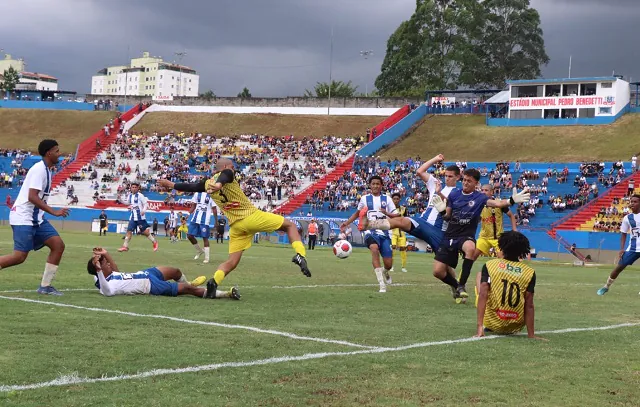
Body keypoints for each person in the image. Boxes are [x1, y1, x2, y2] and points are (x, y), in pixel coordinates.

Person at [158, 158, 311, 299]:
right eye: (232, 167)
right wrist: (219, 184)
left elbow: (190, 186)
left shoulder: (206, 183)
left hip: (236, 226)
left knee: (231, 262)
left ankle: (214, 281)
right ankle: (300, 255)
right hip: (250, 216)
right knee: (289, 225)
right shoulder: (227, 173)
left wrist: (171, 185)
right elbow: (226, 175)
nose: (234, 169)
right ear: (225, 167)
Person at [433, 168, 529, 302]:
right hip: (450, 236)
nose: (465, 183)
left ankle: (461, 285)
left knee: (470, 248)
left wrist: (512, 200)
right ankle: (456, 285)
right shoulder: (454, 195)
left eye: (469, 181)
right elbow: (447, 218)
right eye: (464, 180)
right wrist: (442, 212)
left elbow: (498, 203)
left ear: (476, 183)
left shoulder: (480, 198)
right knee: (437, 272)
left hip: (466, 236)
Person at [0, 139, 69, 295]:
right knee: (19, 257)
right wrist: (54, 212)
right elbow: (32, 197)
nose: (59, 153)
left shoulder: (47, 170)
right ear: (49, 152)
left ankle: (45, 286)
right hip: (24, 217)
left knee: (58, 245)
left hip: (36, 218)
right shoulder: (39, 169)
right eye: (57, 151)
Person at [361, 155, 458, 255]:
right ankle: (369, 224)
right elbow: (420, 171)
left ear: (458, 177)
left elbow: (450, 205)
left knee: (441, 269)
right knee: (401, 220)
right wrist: (435, 159)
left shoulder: (458, 192)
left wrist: (439, 193)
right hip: (423, 222)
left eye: (450, 176)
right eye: (446, 176)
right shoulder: (437, 184)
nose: (447, 178)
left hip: (437, 231)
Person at [87, 247, 239, 299]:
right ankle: (224, 294)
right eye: (104, 263)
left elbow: (115, 270)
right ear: (99, 270)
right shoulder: (105, 285)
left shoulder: (111, 276)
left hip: (146, 273)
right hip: (151, 286)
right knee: (189, 290)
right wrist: (99, 269)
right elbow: (107, 292)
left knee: (175, 271)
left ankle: (187, 283)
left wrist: (105, 254)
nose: (107, 263)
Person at [475, 231, 543, 340]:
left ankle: (482, 325)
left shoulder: (490, 265)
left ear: (502, 246)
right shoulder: (529, 272)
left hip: (492, 323)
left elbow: (483, 295)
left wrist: (479, 327)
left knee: (480, 278)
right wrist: (531, 335)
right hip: (515, 325)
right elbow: (529, 305)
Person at [341, 175, 396, 293]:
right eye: (373, 184)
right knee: (374, 249)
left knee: (388, 264)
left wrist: (386, 213)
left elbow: (396, 215)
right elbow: (357, 214)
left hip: (385, 233)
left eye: (378, 184)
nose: (375, 186)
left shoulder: (387, 199)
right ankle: (382, 284)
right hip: (369, 231)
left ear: (381, 185)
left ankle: (385, 271)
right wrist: (346, 223)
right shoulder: (364, 199)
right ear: (370, 185)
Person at [597, 194, 640, 295]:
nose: (632, 203)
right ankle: (606, 287)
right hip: (633, 248)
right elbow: (623, 234)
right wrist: (622, 249)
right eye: (631, 201)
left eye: (635, 202)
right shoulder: (627, 218)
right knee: (619, 267)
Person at [473, 184, 517, 260]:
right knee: (471, 257)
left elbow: (511, 215)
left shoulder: (499, 203)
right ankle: (464, 272)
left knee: (503, 259)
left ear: (492, 192)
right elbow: (479, 219)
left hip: (498, 238)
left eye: (486, 190)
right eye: (482, 190)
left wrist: (514, 229)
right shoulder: (479, 205)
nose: (483, 192)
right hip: (484, 237)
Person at [118, 182, 158, 252]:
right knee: (129, 231)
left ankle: (154, 241)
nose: (133, 188)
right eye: (132, 187)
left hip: (140, 217)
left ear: (138, 188)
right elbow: (127, 203)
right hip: (133, 216)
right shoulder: (130, 195)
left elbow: (145, 204)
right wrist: (120, 199)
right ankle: (125, 246)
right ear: (130, 188)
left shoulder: (140, 195)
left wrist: (143, 210)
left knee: (144, 232)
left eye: (135, 187)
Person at [187, 191, 218, 263]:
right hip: (194, 219)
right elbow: (193, 206)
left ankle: (207, 258)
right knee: (189, 236)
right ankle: (199, 250)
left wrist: (216, 221)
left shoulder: (211, 195)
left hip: (205, 220)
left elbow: (214, 209)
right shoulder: (196, 194)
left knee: (205, 238)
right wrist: (188, 214)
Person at [390, 193, 408, 273]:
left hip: (402, 232)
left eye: (397, 199)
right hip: (392, 232)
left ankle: (403, 267)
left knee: (403, 250)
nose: (396, 200)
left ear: (399, 199)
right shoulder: (389, 209)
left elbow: (407, 219)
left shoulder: (403, 209)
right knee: (392, 249)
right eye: (394, 199)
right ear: (392, 200)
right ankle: (391, 266)